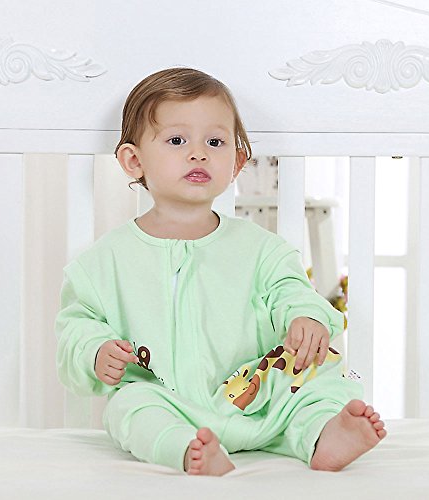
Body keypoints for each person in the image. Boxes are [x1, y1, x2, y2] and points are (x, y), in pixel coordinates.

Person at [55, 67, 386, 477]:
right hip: (168, 401)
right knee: (128, 405)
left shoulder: (262, 249)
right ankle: (188, 449)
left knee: (317, 372)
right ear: (133, 160)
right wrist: (94, 351)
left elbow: (291, 290)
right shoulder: (103, 262)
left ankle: (321, 433)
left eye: (215, 142)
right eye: (177, 140)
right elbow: (77, 326)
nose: (199, 154)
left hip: (258, 395)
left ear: (237, 162)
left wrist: (306, 317)